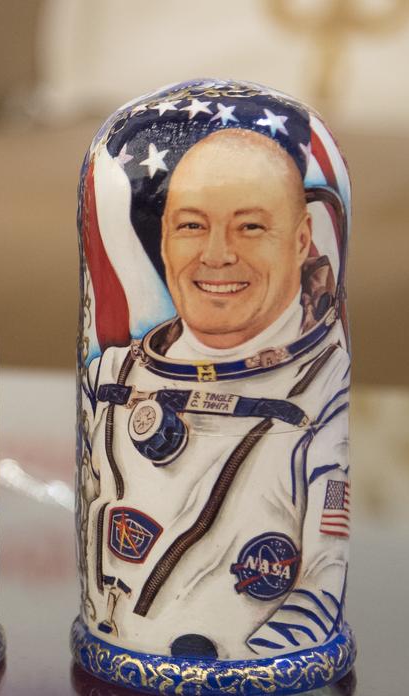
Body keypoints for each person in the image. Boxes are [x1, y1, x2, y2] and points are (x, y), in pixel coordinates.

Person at [80, 127, 350, 661]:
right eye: (191, 227)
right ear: (164, 241)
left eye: (250, 227)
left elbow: (320, 583)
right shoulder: (113, 377)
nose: (217, 254)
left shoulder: (321, 389)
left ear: (301, 241)